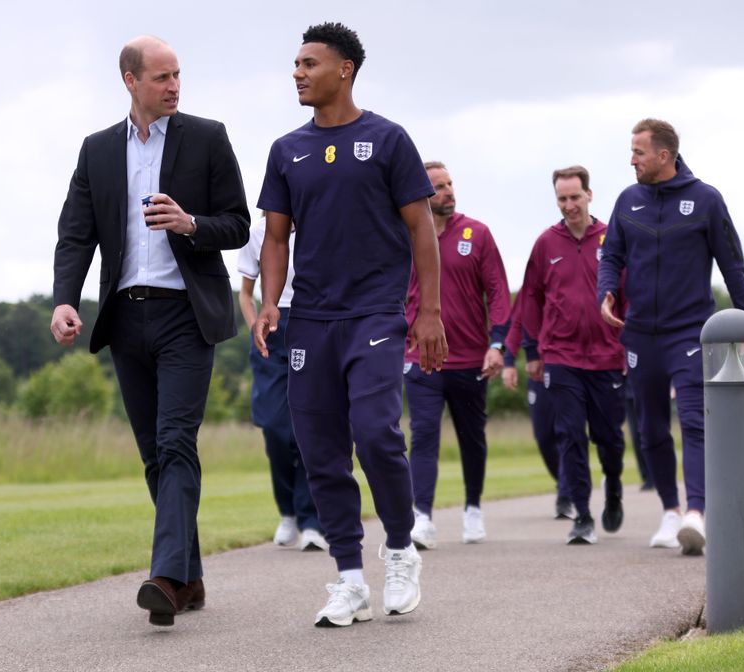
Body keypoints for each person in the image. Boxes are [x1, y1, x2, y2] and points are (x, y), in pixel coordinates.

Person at [50, 36, 250, 627]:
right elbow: (75, 233)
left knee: (174, 442)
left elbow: (238, 223)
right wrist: (64, 299)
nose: (174, 86)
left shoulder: (207, 137)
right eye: (162, 77)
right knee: (153, 458)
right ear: (130, 81)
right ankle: (189, 579)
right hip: (124, 317)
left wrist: (190, 224)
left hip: (187, 315)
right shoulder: (98, 150)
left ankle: (163, 576)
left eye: (179, 75)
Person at [254, 22, 447, 628]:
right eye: (295, 63)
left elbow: (421, 228)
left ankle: (398, 548)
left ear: (345, 69)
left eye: (310, 63)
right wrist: (268, 302)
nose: (298, 72)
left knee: (375, 432)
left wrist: (430, 311)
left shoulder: (388, 140)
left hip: (375, 313)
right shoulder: (287, 150)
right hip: (309, 319)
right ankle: (348, 579)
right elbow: (277, 236)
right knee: (322, 453)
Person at [598, 118, 744, 555]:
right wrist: (605, 293)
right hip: (639, 336)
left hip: (690, 331)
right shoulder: (627, 201)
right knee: (650, 428)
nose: (632, 159)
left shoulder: (706, 200)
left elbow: (733, 267)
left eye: (639, 152)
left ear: (663, 156)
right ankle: (670, 511)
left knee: (692, 419)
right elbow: (611, 254)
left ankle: (697, 514)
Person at [515, 165, 626, 545]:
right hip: (560, 355)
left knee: (609, 437)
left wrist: (632, 343)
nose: (569, 205)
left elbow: (632, 295)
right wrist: (532, 350)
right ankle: (582, 514)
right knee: (570, 435)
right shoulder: (546, 243)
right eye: (562, 199)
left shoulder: (612, 238)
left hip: (608, 355)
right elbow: (530, 298)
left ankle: (613, 486)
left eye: (575, 197)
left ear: (589, 195)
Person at [404, 161, 511, 549]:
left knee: (472, 438)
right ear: (422, 194)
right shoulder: (406, 235)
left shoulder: (477, 233)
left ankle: (472, 508)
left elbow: (498, 292)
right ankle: (422, 518)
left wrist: (497, 344)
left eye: (450, 184)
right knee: (424, 434)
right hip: (420, 359)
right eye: (439, 186)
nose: (449, 191)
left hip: (470, 358)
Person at [237, 215, 326, 552]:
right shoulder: (257, 233)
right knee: (275, 427)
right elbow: (246, 294)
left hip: (312, 323)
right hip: (271, 331)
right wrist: (254, 327)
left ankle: (311, 520)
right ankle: (287, 510)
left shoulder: (317, 225)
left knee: (309, 427)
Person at [502, 315, 575, 520]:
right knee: (544, 437)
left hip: (569, 367)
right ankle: (565, 482)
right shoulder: (529, 291)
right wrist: (508, 361)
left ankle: (565, 495)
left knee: (567, 433)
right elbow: (516, 325)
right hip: (538, 374)